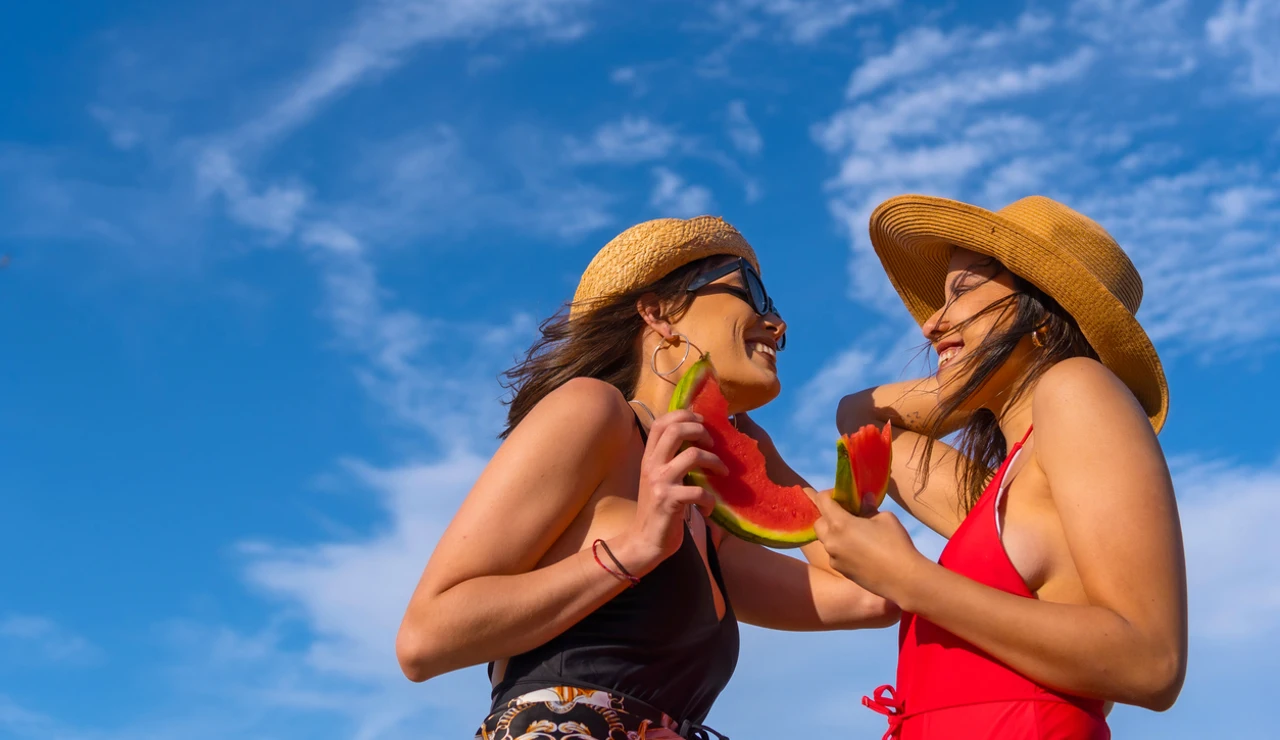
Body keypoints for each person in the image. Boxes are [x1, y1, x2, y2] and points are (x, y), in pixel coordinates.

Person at [395, 216, 897, 740]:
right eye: (752, 292)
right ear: (658, 313)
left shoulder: (706, 517)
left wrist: (763, 457)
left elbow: (874, 592)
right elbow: (423, 640)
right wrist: (635, 549)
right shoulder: (593, 411)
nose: (777, 323)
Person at [812, 195, 1188, 739]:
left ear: (1041, 308)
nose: (929, 326)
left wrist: (909, 579)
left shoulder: (1078, 386)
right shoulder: (1007, 489)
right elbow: (860, 418)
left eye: (962, 292)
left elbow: (1153, 663)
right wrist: (961, 369)